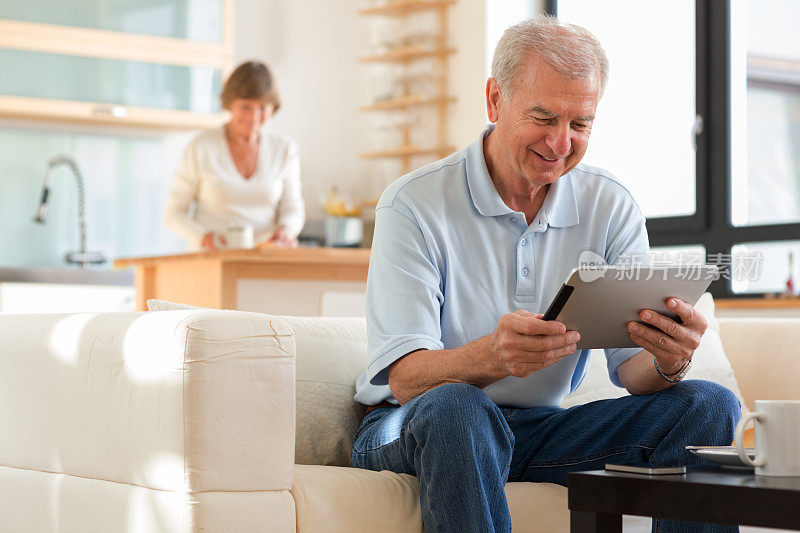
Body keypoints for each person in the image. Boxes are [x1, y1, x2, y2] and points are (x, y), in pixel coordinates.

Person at [351, 15, 740, 533]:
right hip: (415, 424)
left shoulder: (611, 206)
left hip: (542, 430)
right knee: (460, 409)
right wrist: (491, 356)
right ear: (495, 101)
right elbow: (404, 377)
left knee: (709, 405)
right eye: (544, 118)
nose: (561, 144)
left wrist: (669, 360)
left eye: (580, 124)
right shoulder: (413, 205)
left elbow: (633, 373)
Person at [165, 60, 305, 250]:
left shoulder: (285, 149)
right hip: (211, 260)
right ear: (230, 103)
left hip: (265, 261)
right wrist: (205, 238)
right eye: (246, 107)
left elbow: (293, 208)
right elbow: (174, 214)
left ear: (272, 108)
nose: (254, 117)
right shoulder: (201, 147)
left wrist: (286, 231)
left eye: (262, 108)